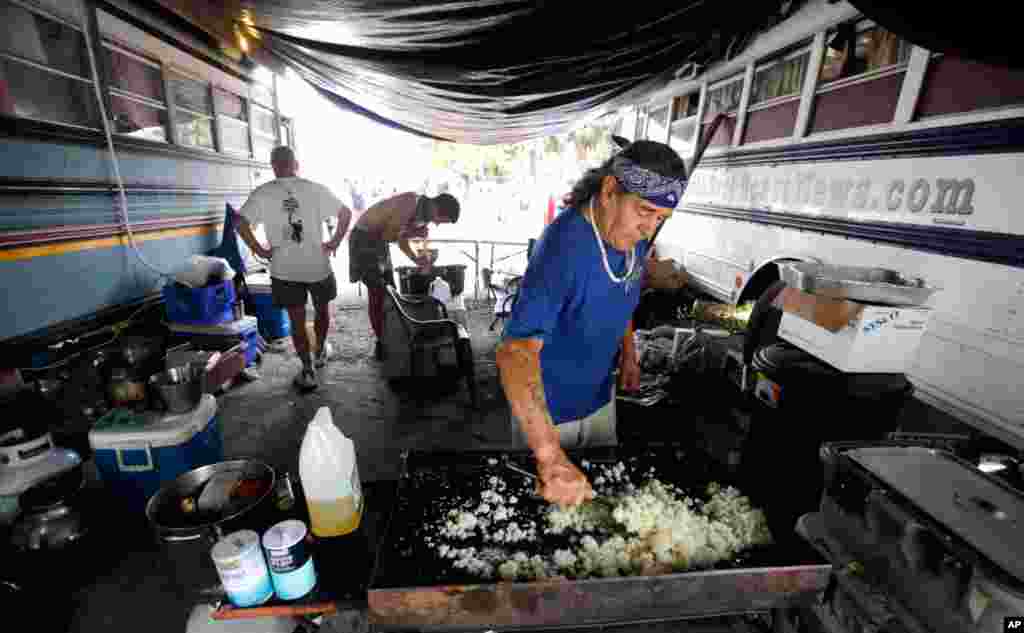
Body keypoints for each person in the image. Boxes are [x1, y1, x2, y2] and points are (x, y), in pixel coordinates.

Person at [496, 139, 687, 507]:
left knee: (599, 506)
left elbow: (623, 294)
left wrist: (628, 355)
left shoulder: (633, 238)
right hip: (551, 415)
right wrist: (550, 457)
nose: (649, 229)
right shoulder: (562, 249)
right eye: (645, 211)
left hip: (600, 397)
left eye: (660, 219)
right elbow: (515, 352)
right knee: (551, 516)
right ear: (610, 190)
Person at [237, 146, 352, 391]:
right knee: (322, 311)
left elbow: (240, 222)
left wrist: (260, 250)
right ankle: (320, 351)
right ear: (295, 164)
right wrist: (334, 242)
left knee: (297, 320)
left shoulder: (263, 192)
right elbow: (346, 213)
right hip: (317, 265)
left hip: (284, 270)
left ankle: (308, 371)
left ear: (273, 165)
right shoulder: (314, 188)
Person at [348, 191, 461, 359]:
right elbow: (390, 236)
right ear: (436, 207)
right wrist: (412, 236)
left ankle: (388, 337)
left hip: (379, 242)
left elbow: (396, 238)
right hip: (364, 238)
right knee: (378, 293)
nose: (436, 223)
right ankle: (382, 343)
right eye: (439, 219)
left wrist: (421, 259)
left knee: (390, 292)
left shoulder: (423, 214)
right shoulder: (410, 202)